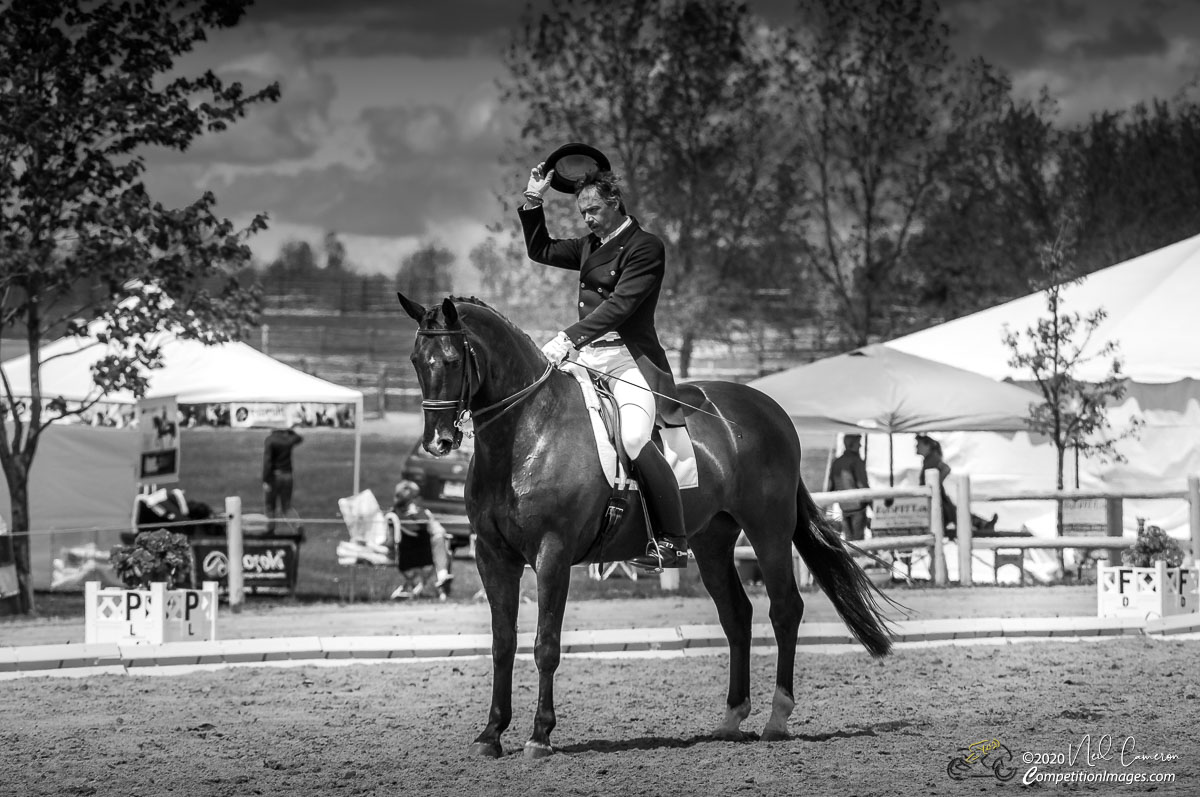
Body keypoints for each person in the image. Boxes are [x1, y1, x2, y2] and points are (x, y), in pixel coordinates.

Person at [519, 161, 688, 570]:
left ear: (614, 201)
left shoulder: (646, 247)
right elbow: (539, 249)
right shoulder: (589, 247)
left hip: (628, 360)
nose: (588, 220)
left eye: (593, 210)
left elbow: (621, 306)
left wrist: (567, 338)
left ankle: (673, 540)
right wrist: (533, 198)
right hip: (588, 359)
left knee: (632, 439)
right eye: (583, 214)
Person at [915, 434, 996, 539]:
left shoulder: (932, 458)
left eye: (918, 444)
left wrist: (934, 485)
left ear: (927, 445)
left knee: (953, 514)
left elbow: (946, 469)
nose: (916, 447)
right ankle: (981, 523)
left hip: (936, 500)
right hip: (935, 499)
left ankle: (981, 524)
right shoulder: (929, 459)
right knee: (955, 513)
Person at [388, 480, 454, 600]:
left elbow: (389, 541)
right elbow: (440, 531)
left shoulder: (391, 516)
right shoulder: (424, 514)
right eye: (417, 496)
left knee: (438, 538)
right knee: (439, 539)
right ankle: (442, 576)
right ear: (412, 499)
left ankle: (436, 580)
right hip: (425, 559)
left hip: (404, 561)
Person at [262, 414, 303, 534]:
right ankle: (297, 525)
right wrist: (290, 430)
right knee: (286, 506)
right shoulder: (288, 440)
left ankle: (270, 530)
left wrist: (266, 479)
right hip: (288, 476)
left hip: (275, 476)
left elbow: (267, 462)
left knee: (270, 506)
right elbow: (299, 438)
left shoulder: (270, 440)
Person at [828, 434, 870, 541]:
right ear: (852, 444)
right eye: (858, 443)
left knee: (849, 540)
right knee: (859, 541)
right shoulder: (856, 461)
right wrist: (872, 503)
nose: (860, 446)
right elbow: (862, 484)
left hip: (844, 506)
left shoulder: (837, 462)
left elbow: (831, 486)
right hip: (858, 506)